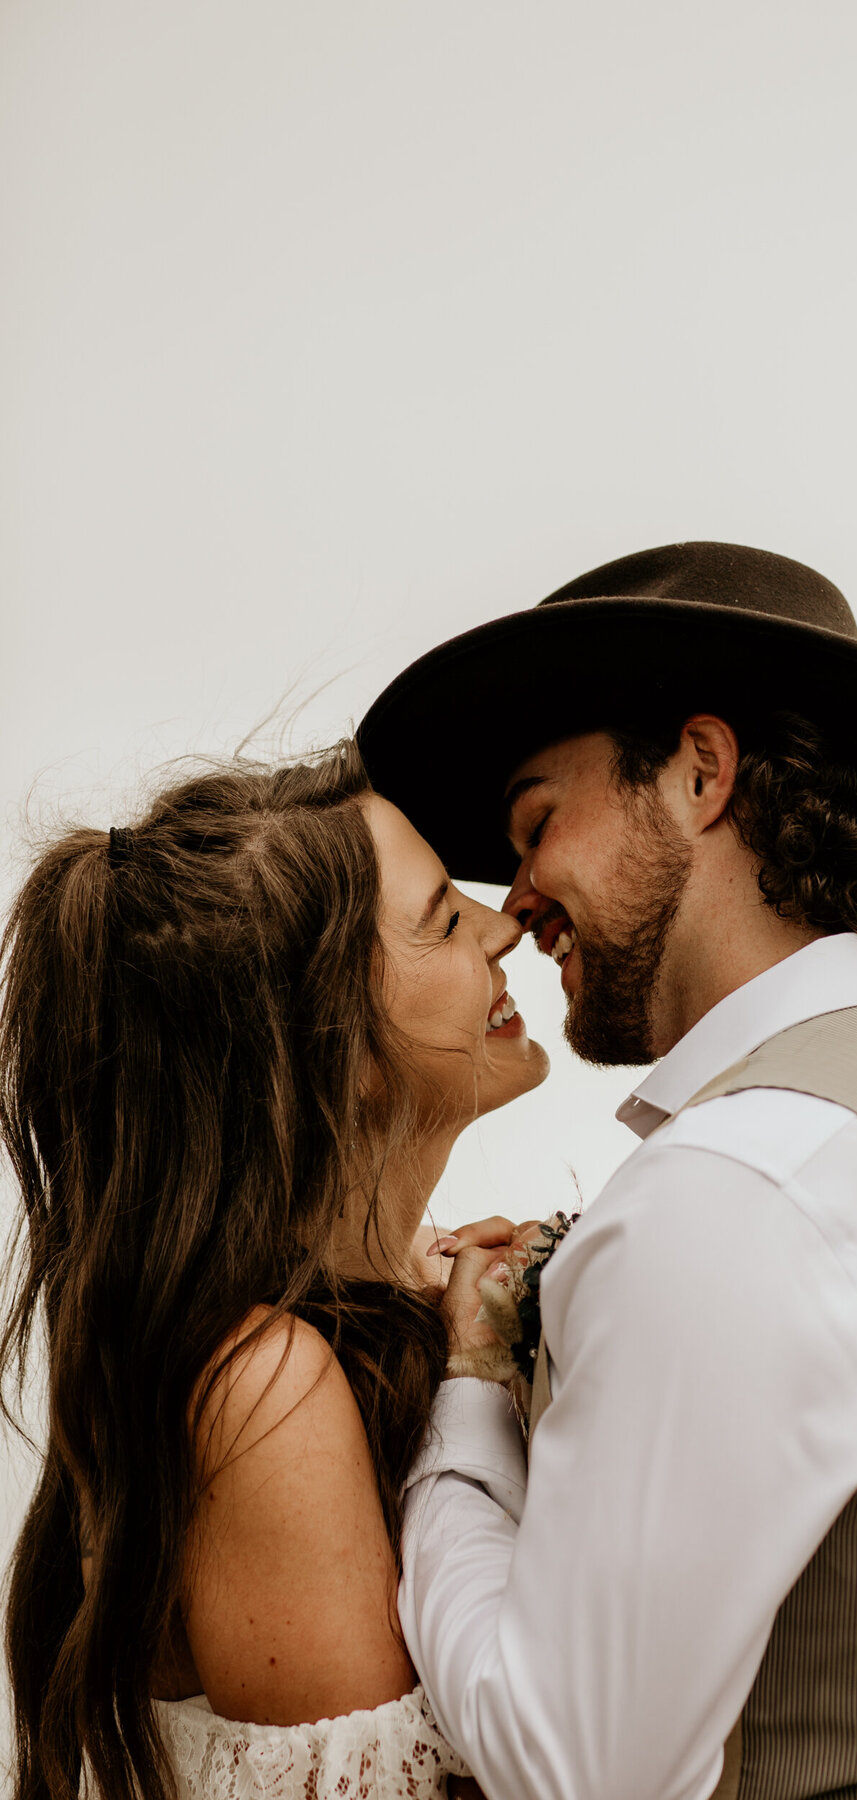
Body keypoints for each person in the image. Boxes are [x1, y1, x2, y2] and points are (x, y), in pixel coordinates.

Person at [358, 541, 857, 1800]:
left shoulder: (741, 1181)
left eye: (535, 824)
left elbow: (575, 1764)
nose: (515, 901)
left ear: (698, 773)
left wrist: (468, 1394)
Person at [0, 739, 548, 1800]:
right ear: (334, 1047)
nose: (502, 923)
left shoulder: (381, 1318)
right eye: (442, 918)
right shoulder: (264, 1384)